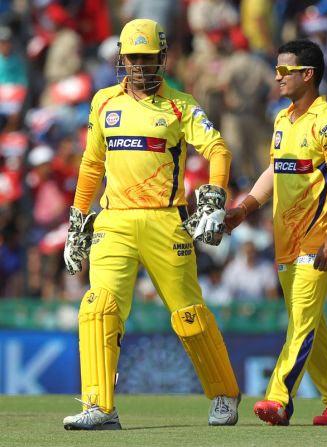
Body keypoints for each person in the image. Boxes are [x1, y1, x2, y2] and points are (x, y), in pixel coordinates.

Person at [62, 19, 239, 429]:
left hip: (165, 219)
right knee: (98, 307)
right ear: (121, 59)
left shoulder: (181, 104)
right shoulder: (103, 102)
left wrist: (213, 198)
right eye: (133, 58)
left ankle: (224, 394)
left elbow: (218, 149)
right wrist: (77, 220)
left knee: (189, 315)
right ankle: (100, 407)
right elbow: (91, 165)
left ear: (162, 57)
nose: (140, 66)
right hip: (114, 221)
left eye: (148, 58)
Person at [225, 39, 327, 426]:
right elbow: (273, 171)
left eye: (285, 70)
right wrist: (245, 208)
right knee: (311, 323)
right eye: (277, 69)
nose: (277, 77)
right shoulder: (283, 119)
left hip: (316, 239)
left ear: (308, 74)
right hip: (286, 240)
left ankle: (279, 398)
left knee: (300, 321)